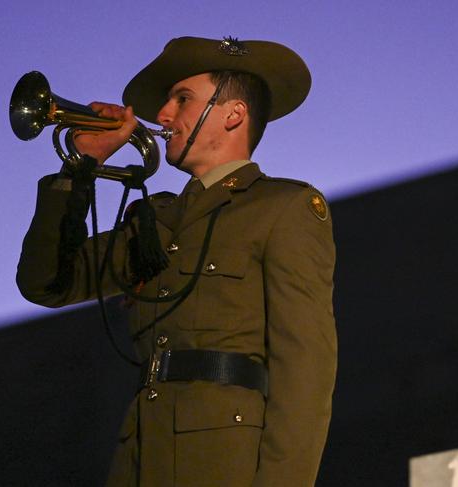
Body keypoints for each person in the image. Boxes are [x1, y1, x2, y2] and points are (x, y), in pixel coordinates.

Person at [17, 36, 336, 486]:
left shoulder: (284, 208)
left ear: (233, 114)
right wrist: (81, 167)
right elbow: (45, 283)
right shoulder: (155, 221)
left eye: (181, 99)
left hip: (224, 461)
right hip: (140, 455)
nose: (163, 116)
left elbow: (305, 374)